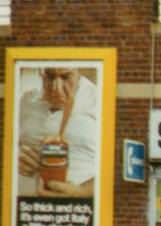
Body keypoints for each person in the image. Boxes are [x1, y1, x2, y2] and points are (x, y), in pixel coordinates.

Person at [18, 67, 100, 198]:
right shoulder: (26, 101)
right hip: (27, 204)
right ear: (41, 72)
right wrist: (17, 158)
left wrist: (82, 192)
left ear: (79, 71)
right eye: (50, 77)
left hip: (80, 208)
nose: (56, 88)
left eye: (65, 77)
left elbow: (118, 169)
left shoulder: (101, 100)